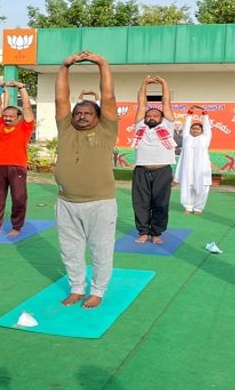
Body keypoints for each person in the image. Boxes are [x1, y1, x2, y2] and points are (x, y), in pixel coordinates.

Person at [54, 51, 118, 309]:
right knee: (70, 249)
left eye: (87, 112)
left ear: (97, 116)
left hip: (100, 203)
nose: (81, 115)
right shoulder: (66, 128)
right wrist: (64, 65)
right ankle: (77, 288)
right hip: (66, 202)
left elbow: (109, 97)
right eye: (78, 112)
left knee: (101, 249)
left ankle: (98, 291)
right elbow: (61, 98)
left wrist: (102, 63)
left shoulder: (106, 129)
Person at [0, 81, 35, 238]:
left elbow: (27, 107)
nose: (6, 118)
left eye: (10, 116)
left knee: (19, 198)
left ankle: (17, 226)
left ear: (18, 117)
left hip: (17, 166)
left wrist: (22, 88)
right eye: (5, 116)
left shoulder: (25, 127)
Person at [131, 76, 176, 244]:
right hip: (141, 170)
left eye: (155, 115)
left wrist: (164, 84)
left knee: (161, 203)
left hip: (162, 171)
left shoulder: (167, 125)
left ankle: (156, 233)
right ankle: (143, 232)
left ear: (162, 118)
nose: (151, 117)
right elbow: (141, 102)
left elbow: (166, 103)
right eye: (149, 115)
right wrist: (144, 84)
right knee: (140, 203)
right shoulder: (140, 126)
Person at [175, 106, 212, 214]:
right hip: (187, 168)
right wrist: (189, 114)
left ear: (202, 130)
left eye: (197, 129)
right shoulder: (187, 137)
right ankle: (188, 207)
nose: (195, 130)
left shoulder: (205, 138)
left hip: (201, 168)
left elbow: (207, 127)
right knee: (187, 186)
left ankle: (198, 208)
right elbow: (186, 126)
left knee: (202, 187)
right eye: (193, 128)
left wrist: (204, 115)